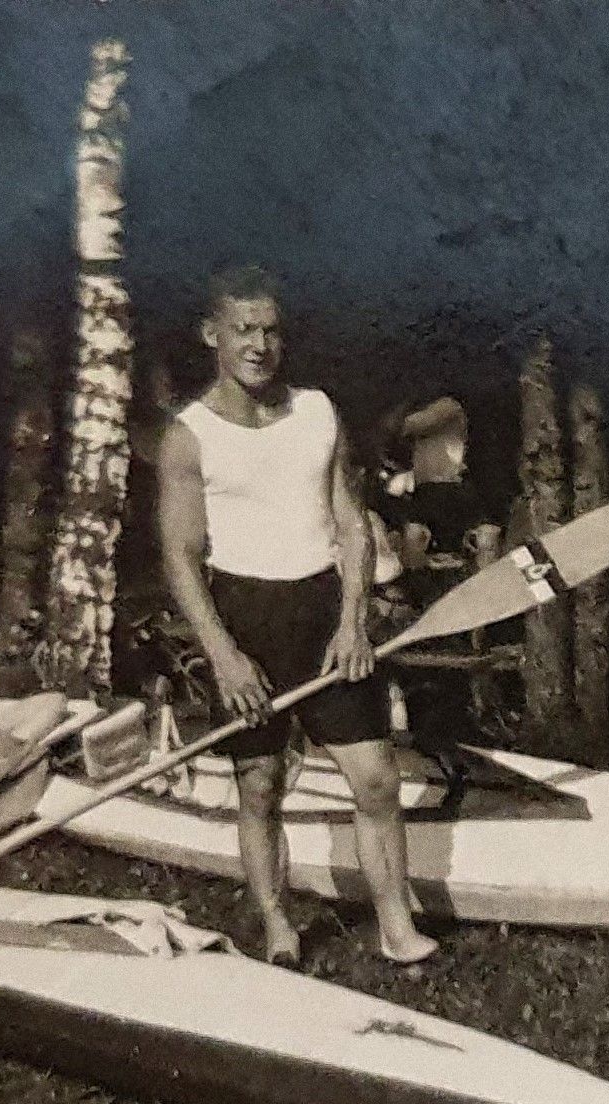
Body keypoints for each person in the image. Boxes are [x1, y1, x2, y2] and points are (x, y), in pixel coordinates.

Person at [156, 266, 439, 965]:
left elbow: (351, 525)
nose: (258, 344)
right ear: (211, 334)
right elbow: (181, 557)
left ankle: (396, 926)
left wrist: (352, 620)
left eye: (270, 330)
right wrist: (222, 655)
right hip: (243, 617)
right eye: (242, 329)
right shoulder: (187, 437)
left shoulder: (317, 411)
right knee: (260, 784)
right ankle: (277, 923)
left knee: (374, 777)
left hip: (321, 609)